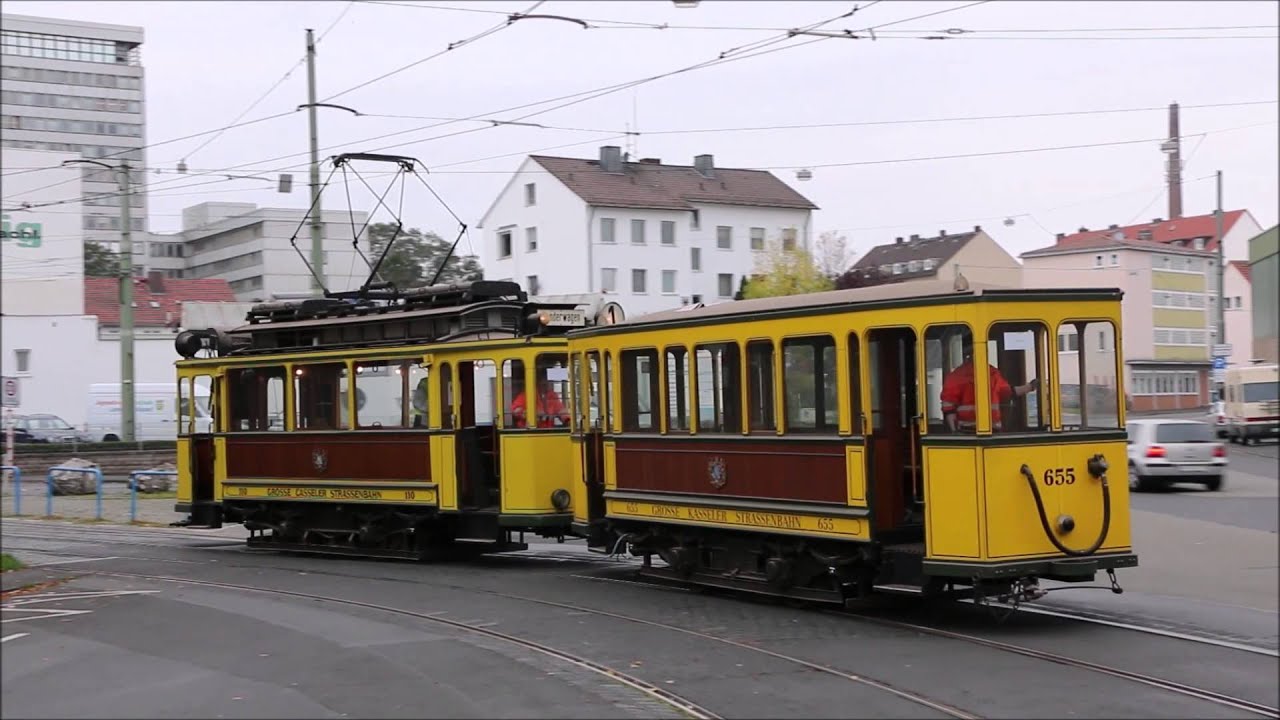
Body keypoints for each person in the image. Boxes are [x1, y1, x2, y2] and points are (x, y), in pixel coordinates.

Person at [940, 340, 1039, 432]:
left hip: (966, 431)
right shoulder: (992, 373)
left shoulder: (956, 376)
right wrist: (1030, 387)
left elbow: (948, 407)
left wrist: (954, 432)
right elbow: (1009, 392)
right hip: (993, 430)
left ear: (966, 355)